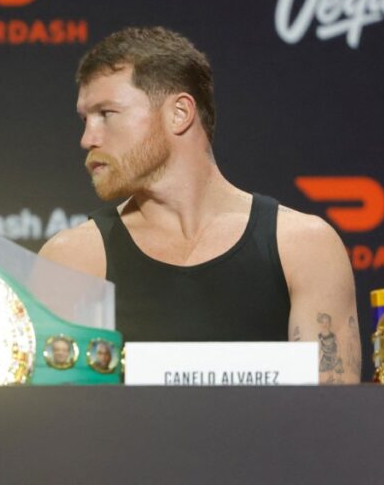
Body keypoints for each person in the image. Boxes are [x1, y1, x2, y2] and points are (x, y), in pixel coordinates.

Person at [39, 26, 361, 384]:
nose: (88, 139)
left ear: (179, 113)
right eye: (85, 119)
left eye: (107, 113)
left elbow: (331, 423)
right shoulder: (73, 260)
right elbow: (60, 424)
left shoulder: (305, 247)